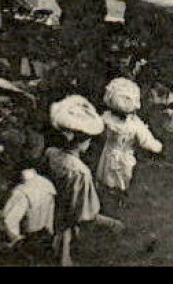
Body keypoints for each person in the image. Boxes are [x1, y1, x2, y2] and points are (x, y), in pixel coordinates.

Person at [43, 94, 118, 266]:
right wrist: (113, 223)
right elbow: (85, 214)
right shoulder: (80, 172)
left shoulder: (51, 153)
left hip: (50, 215)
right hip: (67, 225)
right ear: (84, 140)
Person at [94, 76, 163, 202]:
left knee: (106, 178)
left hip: (107, 153)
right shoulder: (134, 125)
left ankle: (106, 198)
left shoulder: (105, 118)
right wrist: (158, 146)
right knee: (122, 181)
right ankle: (119, 199)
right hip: (125, 157)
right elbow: (147, 142)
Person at [0, 129, 56, 263]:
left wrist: (16, 243)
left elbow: (8, 221)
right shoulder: (47, 184)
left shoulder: (21, 192)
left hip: (27, 243)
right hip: (45, 238)